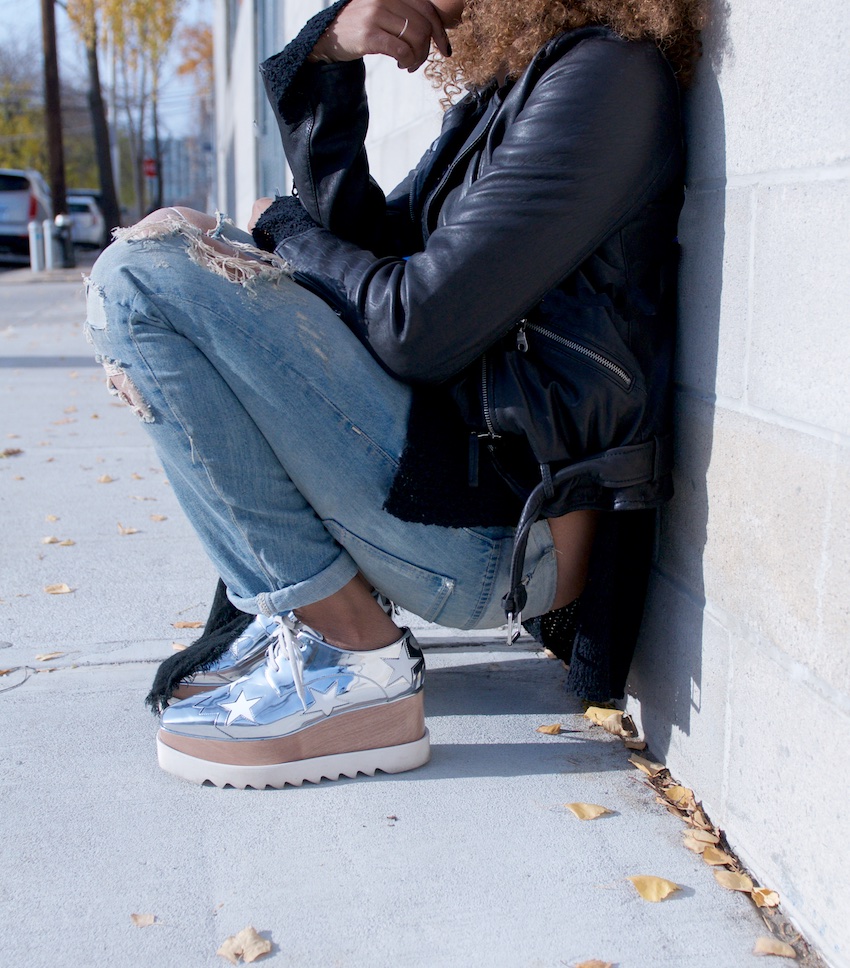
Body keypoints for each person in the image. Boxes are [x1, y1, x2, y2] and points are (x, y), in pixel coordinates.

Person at [85, 0, 703, 789]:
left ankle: (350, 659)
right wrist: (328, 63)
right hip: (466, 478)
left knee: (143, 278)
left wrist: (286, 231)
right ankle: (310, 629)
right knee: (193, 254)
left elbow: (417, 324)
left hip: (507, 530)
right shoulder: (511, 91)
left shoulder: (607, 78)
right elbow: (370, 254)